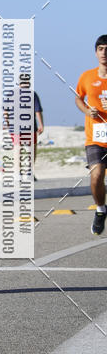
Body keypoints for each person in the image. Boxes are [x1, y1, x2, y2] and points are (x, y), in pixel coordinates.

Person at [75, 35, 107, 235]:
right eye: (101, 48)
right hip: (96, 138)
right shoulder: (87, 76)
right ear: (96, 52)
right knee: (96, 176)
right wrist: (87, 111)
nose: (105, 52)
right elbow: (78, 99)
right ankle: (101, 210)